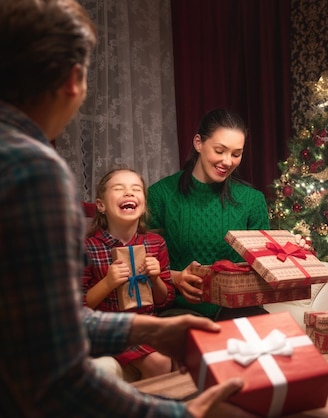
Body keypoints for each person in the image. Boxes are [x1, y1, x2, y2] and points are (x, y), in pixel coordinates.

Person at [0, 1, 251, 416]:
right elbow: (53, 373)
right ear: (74, 79)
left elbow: (42, 323)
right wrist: (177, 413)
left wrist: (147, 326)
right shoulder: (32, 170)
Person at [148, 108, 271, 320]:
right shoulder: (160, 195)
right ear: (198, 143)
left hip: (238, 311)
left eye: (236, 154)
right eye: (219, 150)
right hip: (179, 311)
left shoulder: (252, 200)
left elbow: (264, 265)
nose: (227, 161)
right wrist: (175, 278)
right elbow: (142, 262)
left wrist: (287, 253)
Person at [83, 168, 178, 378]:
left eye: (136, 189)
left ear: (143, 205)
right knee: (159, 362)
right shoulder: (86, 248)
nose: (129, 193)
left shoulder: (156, 243)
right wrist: (108, 283)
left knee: (176, 354)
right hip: (107, 329)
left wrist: (155, 279)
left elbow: (166, 300)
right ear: (101, 205)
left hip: (145, 325)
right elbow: (78, 307)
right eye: (119, 189)